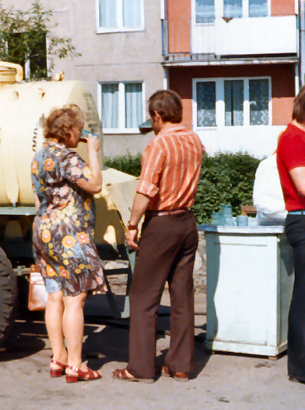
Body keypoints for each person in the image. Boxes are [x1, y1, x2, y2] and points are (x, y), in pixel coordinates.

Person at [112, 90, 204, 383]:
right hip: (187, 222)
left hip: (161, 224)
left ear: (157, 115)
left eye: (151, 117)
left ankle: (139, 368)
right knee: (182, 297)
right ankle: (180, 365)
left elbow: (146, 189)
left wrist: (132, 224)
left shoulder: (158, 145)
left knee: (143, 297)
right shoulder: (193, 140)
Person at [31, 104, 107, 383]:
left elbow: (39, 200)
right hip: (70, 233)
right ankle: (76, 365)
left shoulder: (38, 158)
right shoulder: (68, 157)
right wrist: (94, 152)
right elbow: (95, 184)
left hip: (43, 230)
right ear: (68, 131)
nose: (81, 134)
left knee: (54, 296)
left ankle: (58, 357)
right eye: (78, 129)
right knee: (75, 299)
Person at [276, 85, 305, 385]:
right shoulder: (292, 138)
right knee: (304, 296)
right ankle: (300, 367)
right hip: (302, 220)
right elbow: (303, 186)